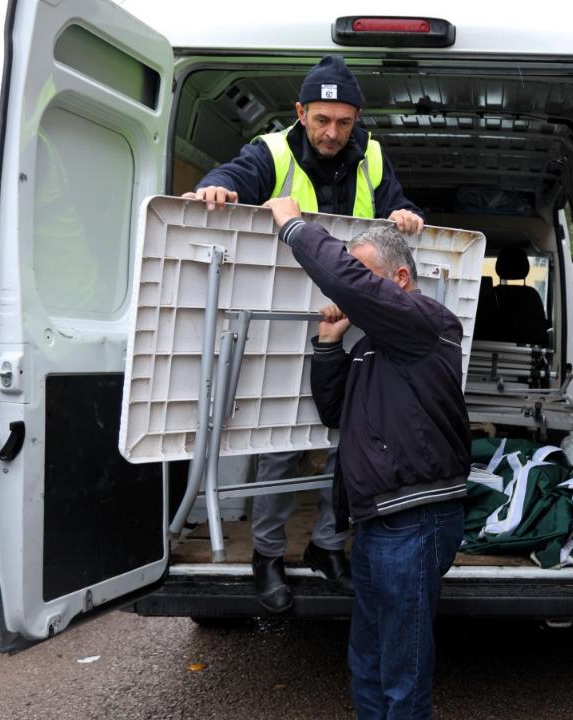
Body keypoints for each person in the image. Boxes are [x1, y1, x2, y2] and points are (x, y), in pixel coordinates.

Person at [183, 55, 425, 612]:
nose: (333, 133)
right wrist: (216, 188)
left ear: (356, 118)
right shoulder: (272, 150)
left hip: (352, 321)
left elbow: (396, 210)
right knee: (281, 444)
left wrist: (408, 214)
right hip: (278, 325)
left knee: (349, 442)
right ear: (301, 113)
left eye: (343, 122)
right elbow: (233, 175)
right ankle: (267, 555)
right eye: (322, 121)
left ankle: (327, 546)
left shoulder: (373, 155)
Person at [267, 198, 469, 720]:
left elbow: (349, 283)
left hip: (415, 520)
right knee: (368, 658)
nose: (350, 291)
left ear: (399, 278)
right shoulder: (373, 344)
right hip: (378, 521)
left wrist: (295, 227)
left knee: (403, 668)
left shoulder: (428, 323)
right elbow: (335, 413)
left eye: (365, 277)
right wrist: (329, 346)